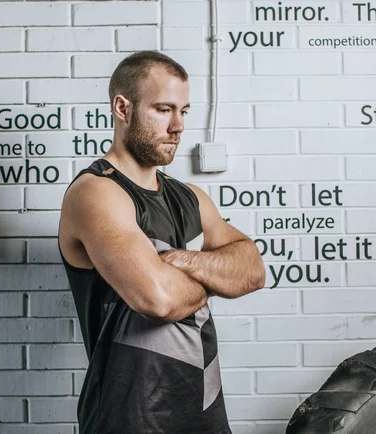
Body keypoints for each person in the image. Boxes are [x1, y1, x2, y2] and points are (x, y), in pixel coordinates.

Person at [58, 50, 266, 434]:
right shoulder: (97, 194)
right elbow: (158, 300)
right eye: (163, 109)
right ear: (123, 108)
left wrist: (177, 261)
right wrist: (216, 275)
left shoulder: (189, 197)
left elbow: (252, 271)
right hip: (129, 420)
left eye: (183, 111)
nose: (178, 126)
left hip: (203, 411)